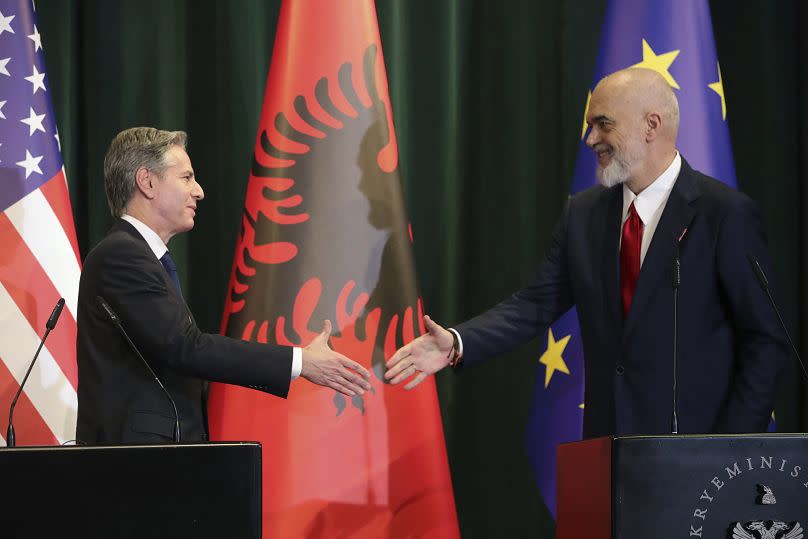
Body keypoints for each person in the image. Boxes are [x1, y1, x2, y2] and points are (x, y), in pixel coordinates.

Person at [385, 68, 787, 437]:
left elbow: (764, 341)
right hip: (607, 451)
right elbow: (533, 305)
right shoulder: (584, 214)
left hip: (698, 456)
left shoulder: (724, 214)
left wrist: (731, 445)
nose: (590, 138)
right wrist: (458, 342)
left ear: (651, 125)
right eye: (590, 125)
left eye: (602, 124)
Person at [76, 127, 371, 444]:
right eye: (187, 178)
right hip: (136, 467)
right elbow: (186, 348)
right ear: (147, 182)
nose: (199, 191)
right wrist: (300, 361)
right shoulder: (121, 254)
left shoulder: (142, 257)